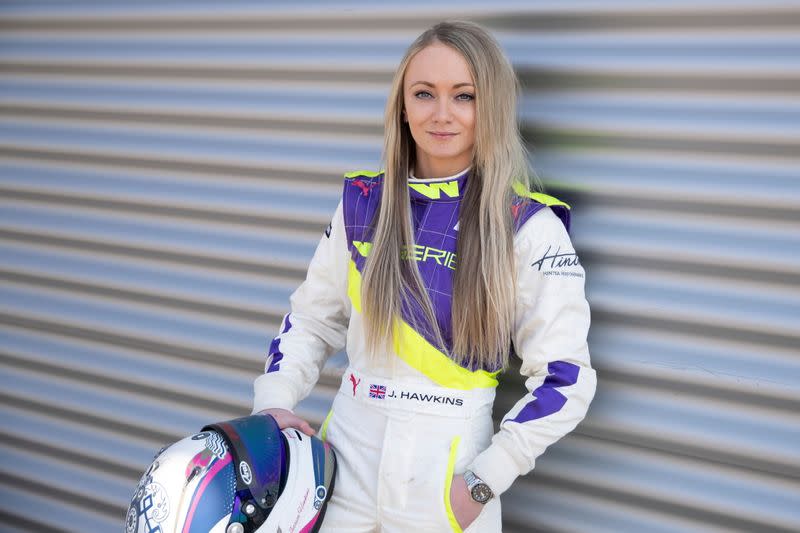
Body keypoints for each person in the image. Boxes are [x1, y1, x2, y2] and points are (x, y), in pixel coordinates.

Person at [251, 20, 596, 533]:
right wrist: (272, 407)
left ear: (491, 106)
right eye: (423, 94)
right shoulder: (363, 204)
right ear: (402, 106)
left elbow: (567, 378)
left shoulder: (528, 226)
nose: (441, 114)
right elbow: (311, 319)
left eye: (463, 96)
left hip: (449, 471)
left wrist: (483, 481)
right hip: (345, 458)